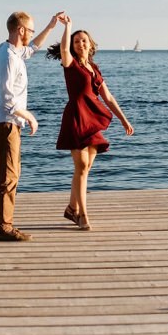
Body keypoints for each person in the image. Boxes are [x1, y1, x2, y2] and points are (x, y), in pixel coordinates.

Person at [47, 15, 133, 230]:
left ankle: (71, 208)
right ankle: (82, 215)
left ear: (90, 44)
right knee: (82, 166)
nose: (80, 43)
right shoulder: (70, 64)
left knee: (84, 169)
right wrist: (68, 27)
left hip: (93, 117)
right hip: (76, 117)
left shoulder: (95, 68)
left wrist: (124, 120)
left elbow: (108, 97)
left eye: (84, 40)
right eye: (76, 41)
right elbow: (64, 51)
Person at [0, 10, 64, 241]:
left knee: (11, 173)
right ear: (21, 30)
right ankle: (5, 227)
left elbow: (31, 49)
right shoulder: (9, 58)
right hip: (6, 122)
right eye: (30, 30)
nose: (31, 33)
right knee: (9, 177)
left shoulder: (9, 50)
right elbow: (8, 98)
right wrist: (29, 116)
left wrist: (50, 27)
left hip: (5, 122)